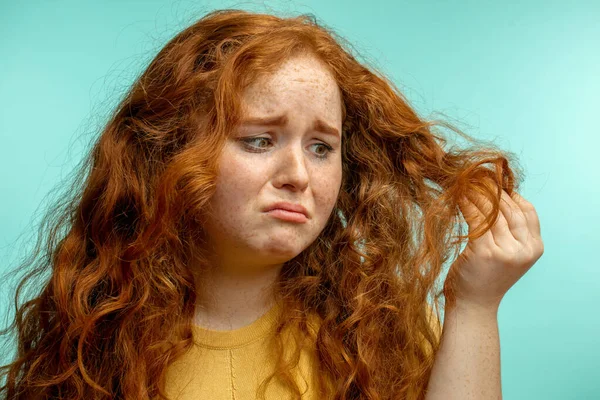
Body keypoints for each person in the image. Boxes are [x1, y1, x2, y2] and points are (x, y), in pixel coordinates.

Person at [0, 8, 544, 400]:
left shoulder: (387, 330)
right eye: (260, 140)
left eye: (322, 147)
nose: (298, 176)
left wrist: (475, 306)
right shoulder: (91, 333)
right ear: (170, 150)